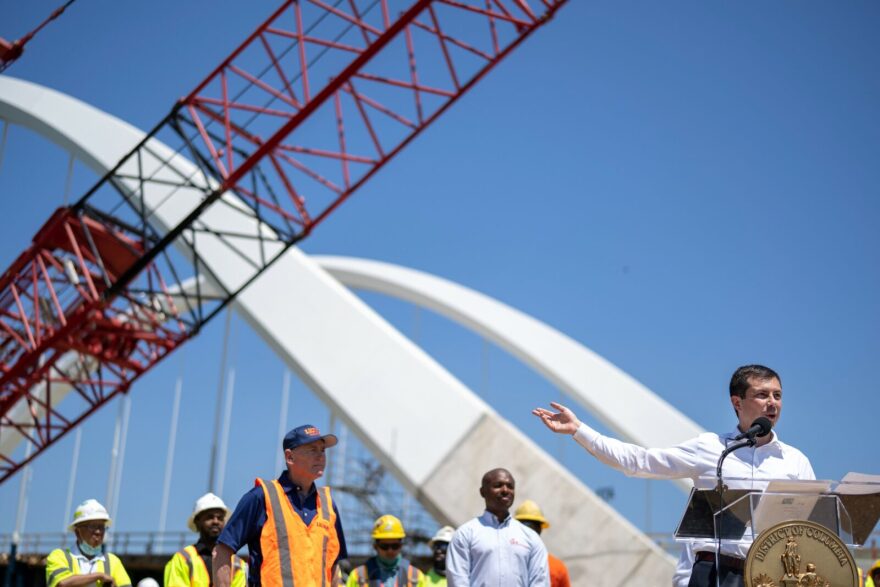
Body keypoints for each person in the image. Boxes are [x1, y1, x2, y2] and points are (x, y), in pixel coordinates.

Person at [533, 364, 816, 587]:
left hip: (774, 576)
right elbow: (639, 462)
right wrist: (579, 430)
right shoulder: (712, 448)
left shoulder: (795, 461)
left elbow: (813, 525)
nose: (772, 403)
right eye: (762, 395)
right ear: (737, 403)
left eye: (777, 395)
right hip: (715, 573)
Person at [213, 424, 347, 587]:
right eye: (313, 450)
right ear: (289, 457)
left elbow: (333, 567)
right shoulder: (261, 497)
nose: (321, 456)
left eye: (322, 450)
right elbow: (221, 552)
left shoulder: (328, 505)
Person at [446, 468, 549, 586]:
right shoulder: (465, 534)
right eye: (498, 485)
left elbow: (540, 581)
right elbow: (458, 581)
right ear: (482, 492)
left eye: (510, 486)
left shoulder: (531, 538)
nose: (505, 490)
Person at [165, 493, 246, 587]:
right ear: (197, 521)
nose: (216, 521)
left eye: (220, 518)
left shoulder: (238, 564)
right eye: (210, 517)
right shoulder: (182, 559)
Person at [46, 499, 132, 587]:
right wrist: (99, 576)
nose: (98, 532)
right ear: (77, 532)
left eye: (101, 527)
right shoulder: (59, 556)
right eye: (92, 526)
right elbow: (63, 584)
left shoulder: (113, 561)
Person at [345, 515, 425, 586]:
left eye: (395, 546)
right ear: (375, 546)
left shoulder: (416, 577)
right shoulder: (358, 576)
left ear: (401, 546)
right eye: (384, 546)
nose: (390, 551)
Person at [513, 500, 571, 587]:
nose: (529, 532)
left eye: (532, 528)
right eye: (525, 527)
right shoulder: (503, 559)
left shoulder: (558, 568)